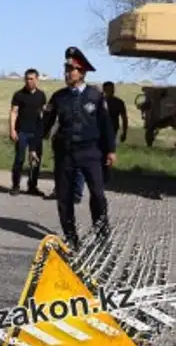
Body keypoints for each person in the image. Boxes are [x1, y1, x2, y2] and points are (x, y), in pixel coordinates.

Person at [37, 47, 116, 251]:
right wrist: (35, 148)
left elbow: (106, 125)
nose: (66, 73)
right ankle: (71, 238)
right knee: (64, 196)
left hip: (91, 152)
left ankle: (101, 235)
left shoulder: (95, 97)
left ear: (81, 73)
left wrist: (110, 150)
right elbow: (45, 125)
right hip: (65, 152)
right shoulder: (58, 97)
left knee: (98, 195)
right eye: (65, 69)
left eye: (70, 69)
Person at [8, 68, 47, 196]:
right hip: (22, 132)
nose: (29, 81)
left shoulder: (41, 95)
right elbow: (14, 112)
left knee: (35, 160)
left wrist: (43, 131)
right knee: (19, 159)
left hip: (36, 133)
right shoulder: (19, 94)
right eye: (27, 79)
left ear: (37, 79)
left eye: (31, 79)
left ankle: (32, 186)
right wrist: (12, 130)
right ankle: (15, 185)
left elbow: (43, 114)